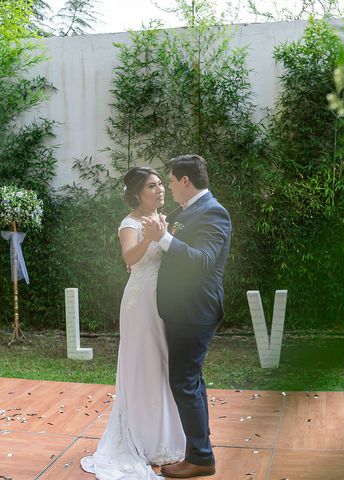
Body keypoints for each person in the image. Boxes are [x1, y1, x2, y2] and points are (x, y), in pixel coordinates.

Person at [80, 167, 186, 479]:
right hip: (141, 302)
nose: (160, 190)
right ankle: (143, 438)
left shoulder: (166, 219)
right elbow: (130, 258)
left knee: (164, 363)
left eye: (160, 185)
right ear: (138, 194)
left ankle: (165, 437)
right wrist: (151, 238)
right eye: (152, 186)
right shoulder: (129, 223)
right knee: (144, 362)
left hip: (165, 300)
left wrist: (165, 235)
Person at [142, 154, 232, 478]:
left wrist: (163, 239)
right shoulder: (186, 211)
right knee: (190, 380)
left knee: (183, 381)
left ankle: (201, 459)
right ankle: (199, 451)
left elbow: (202, 260)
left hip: (196, 311)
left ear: (185, 181)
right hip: (182, 310)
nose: (168, 187)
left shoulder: (214, 213)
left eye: (170, 181)